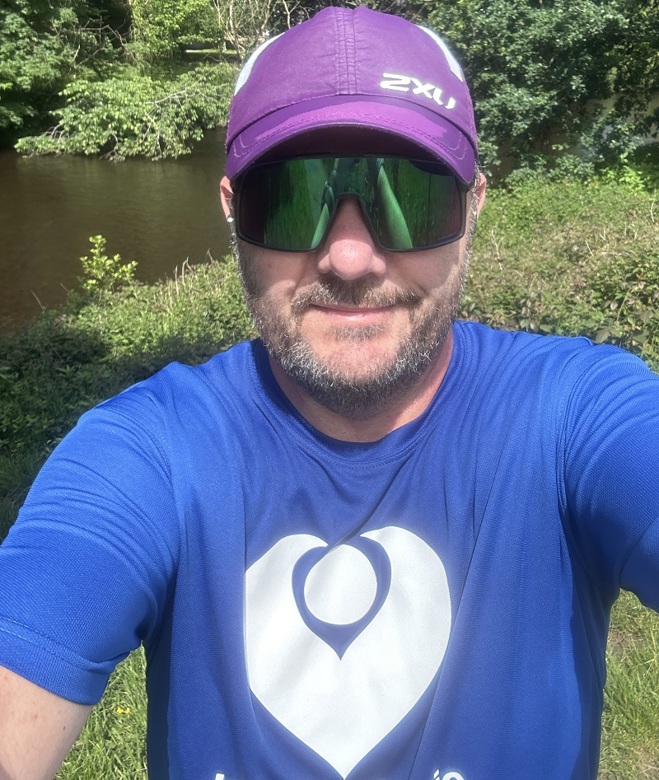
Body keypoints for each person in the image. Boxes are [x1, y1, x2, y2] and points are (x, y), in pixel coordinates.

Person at [0, 6, 658, 780]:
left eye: (408, 196)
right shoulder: (148, 452)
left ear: (473, 205)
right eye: (291, 196)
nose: (349, 258)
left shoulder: (577, 411)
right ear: (230, 210)